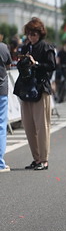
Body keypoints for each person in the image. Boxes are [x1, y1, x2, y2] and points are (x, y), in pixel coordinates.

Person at [13, 17, 56, 170]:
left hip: (40, 88)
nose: (32, 37)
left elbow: (52, 66)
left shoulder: (46, 47)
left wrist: (36, 63)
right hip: (25, 89)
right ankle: (36, 158)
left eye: (35, 34)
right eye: (30, 34)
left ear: (40, 33)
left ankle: (44, 160)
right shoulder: (25, 47)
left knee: (42, 125)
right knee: (29, 126)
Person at [0, 38, 12, 173]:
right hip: (1, 89)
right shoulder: (3, 47)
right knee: (1, 125)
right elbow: (9, 65)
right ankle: (0, 163)